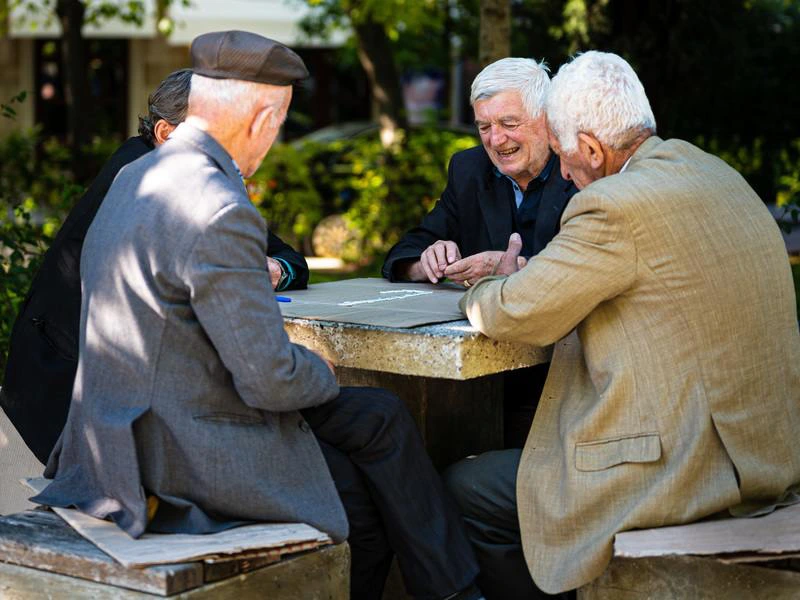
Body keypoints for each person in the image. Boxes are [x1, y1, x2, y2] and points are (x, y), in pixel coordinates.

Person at [31, 31, 481, 600]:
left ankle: (458, 593)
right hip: (180, 451)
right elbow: (269, 378)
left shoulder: (133, 178)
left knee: (381, 416)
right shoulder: (218, 205)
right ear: (262, 119)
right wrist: (321, 367)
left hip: (128, 429)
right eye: (281, 122)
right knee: (361, 498)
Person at [445, 50, 800, 599]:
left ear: (590, 148)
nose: (563, 173)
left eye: (564, 156)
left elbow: (513, 311)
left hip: (686, 468)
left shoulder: (613, 207)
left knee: (466, 486)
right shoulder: (714, 173)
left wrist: (491, 283)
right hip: (764, 452)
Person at [0, 69, 309, 466]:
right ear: (165, 132)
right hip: (72, 402)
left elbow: (291, 261)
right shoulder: (146, 180)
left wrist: (274, 269)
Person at [382, 57, 576, 287]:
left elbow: (588, 268)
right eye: (484, 127)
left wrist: (519, 266)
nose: (495, 140)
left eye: (509, 124)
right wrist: (426, 265)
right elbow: (406, 251)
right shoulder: (469, 169)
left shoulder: (580, 168)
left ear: (546, 117)